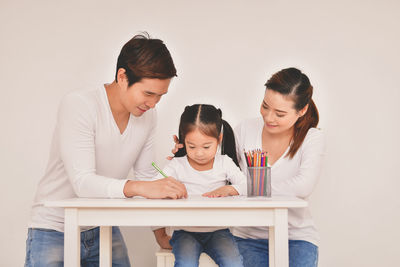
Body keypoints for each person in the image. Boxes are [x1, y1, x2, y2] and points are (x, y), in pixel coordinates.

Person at [25, 33, 187, 267]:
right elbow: (82, 182)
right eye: (148, 93)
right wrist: (143, 187)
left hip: (102, 225)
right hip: (54, 228)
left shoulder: (148, 116)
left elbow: (146, 176)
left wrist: (160, 232)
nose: (153, 104)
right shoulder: (80, 105)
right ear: (123, 77)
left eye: (160, 96)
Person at [232, 67, 325, 267]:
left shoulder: (312, 138)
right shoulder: (245, 130)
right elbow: (224, 178)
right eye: (265, 106)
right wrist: (188, 159)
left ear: (302, 110)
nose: (269, 117)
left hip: (296, 237)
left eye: (280, 114)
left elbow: (303, 186)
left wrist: (249, 188)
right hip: (248, 236)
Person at [153, 104, 246, 267]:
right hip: (185, 233)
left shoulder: (224, 163)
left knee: (234, 263)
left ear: (219, 140)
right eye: (192, 146)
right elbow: (153, 187)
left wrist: (229, 189)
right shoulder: (177, 165)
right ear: (183, 141)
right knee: (185, 264)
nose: (199, 153)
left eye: (206, 146)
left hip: (219, 232)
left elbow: (248, 186)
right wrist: (165, 188)